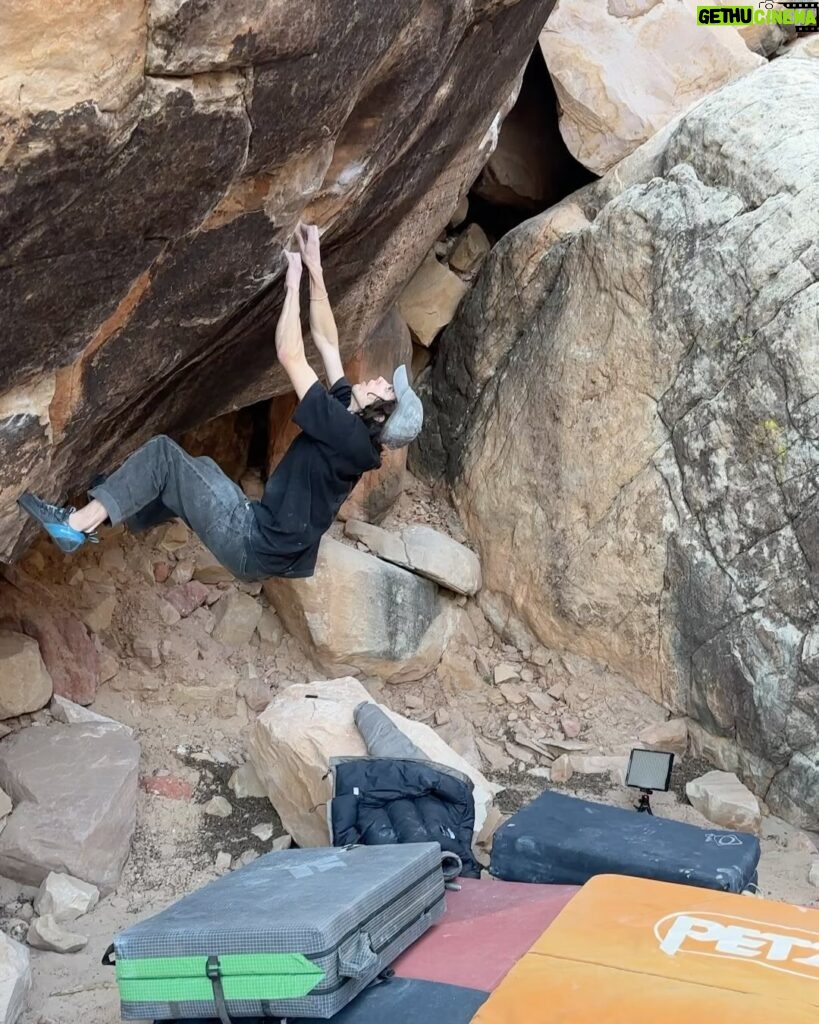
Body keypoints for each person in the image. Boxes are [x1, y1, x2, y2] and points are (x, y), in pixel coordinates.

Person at [18, 224, 423, 582]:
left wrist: (292, 280)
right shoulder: (351, 424)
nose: (379, 381)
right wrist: (316, 269)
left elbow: (291, 354)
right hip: (264, 547)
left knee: (164, 456)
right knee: (203, 470)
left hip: (250, 539)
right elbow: (329, 343)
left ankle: (76, 525)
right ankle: (118, 500)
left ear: (379, 415)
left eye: (386, 391)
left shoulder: (346, 434)